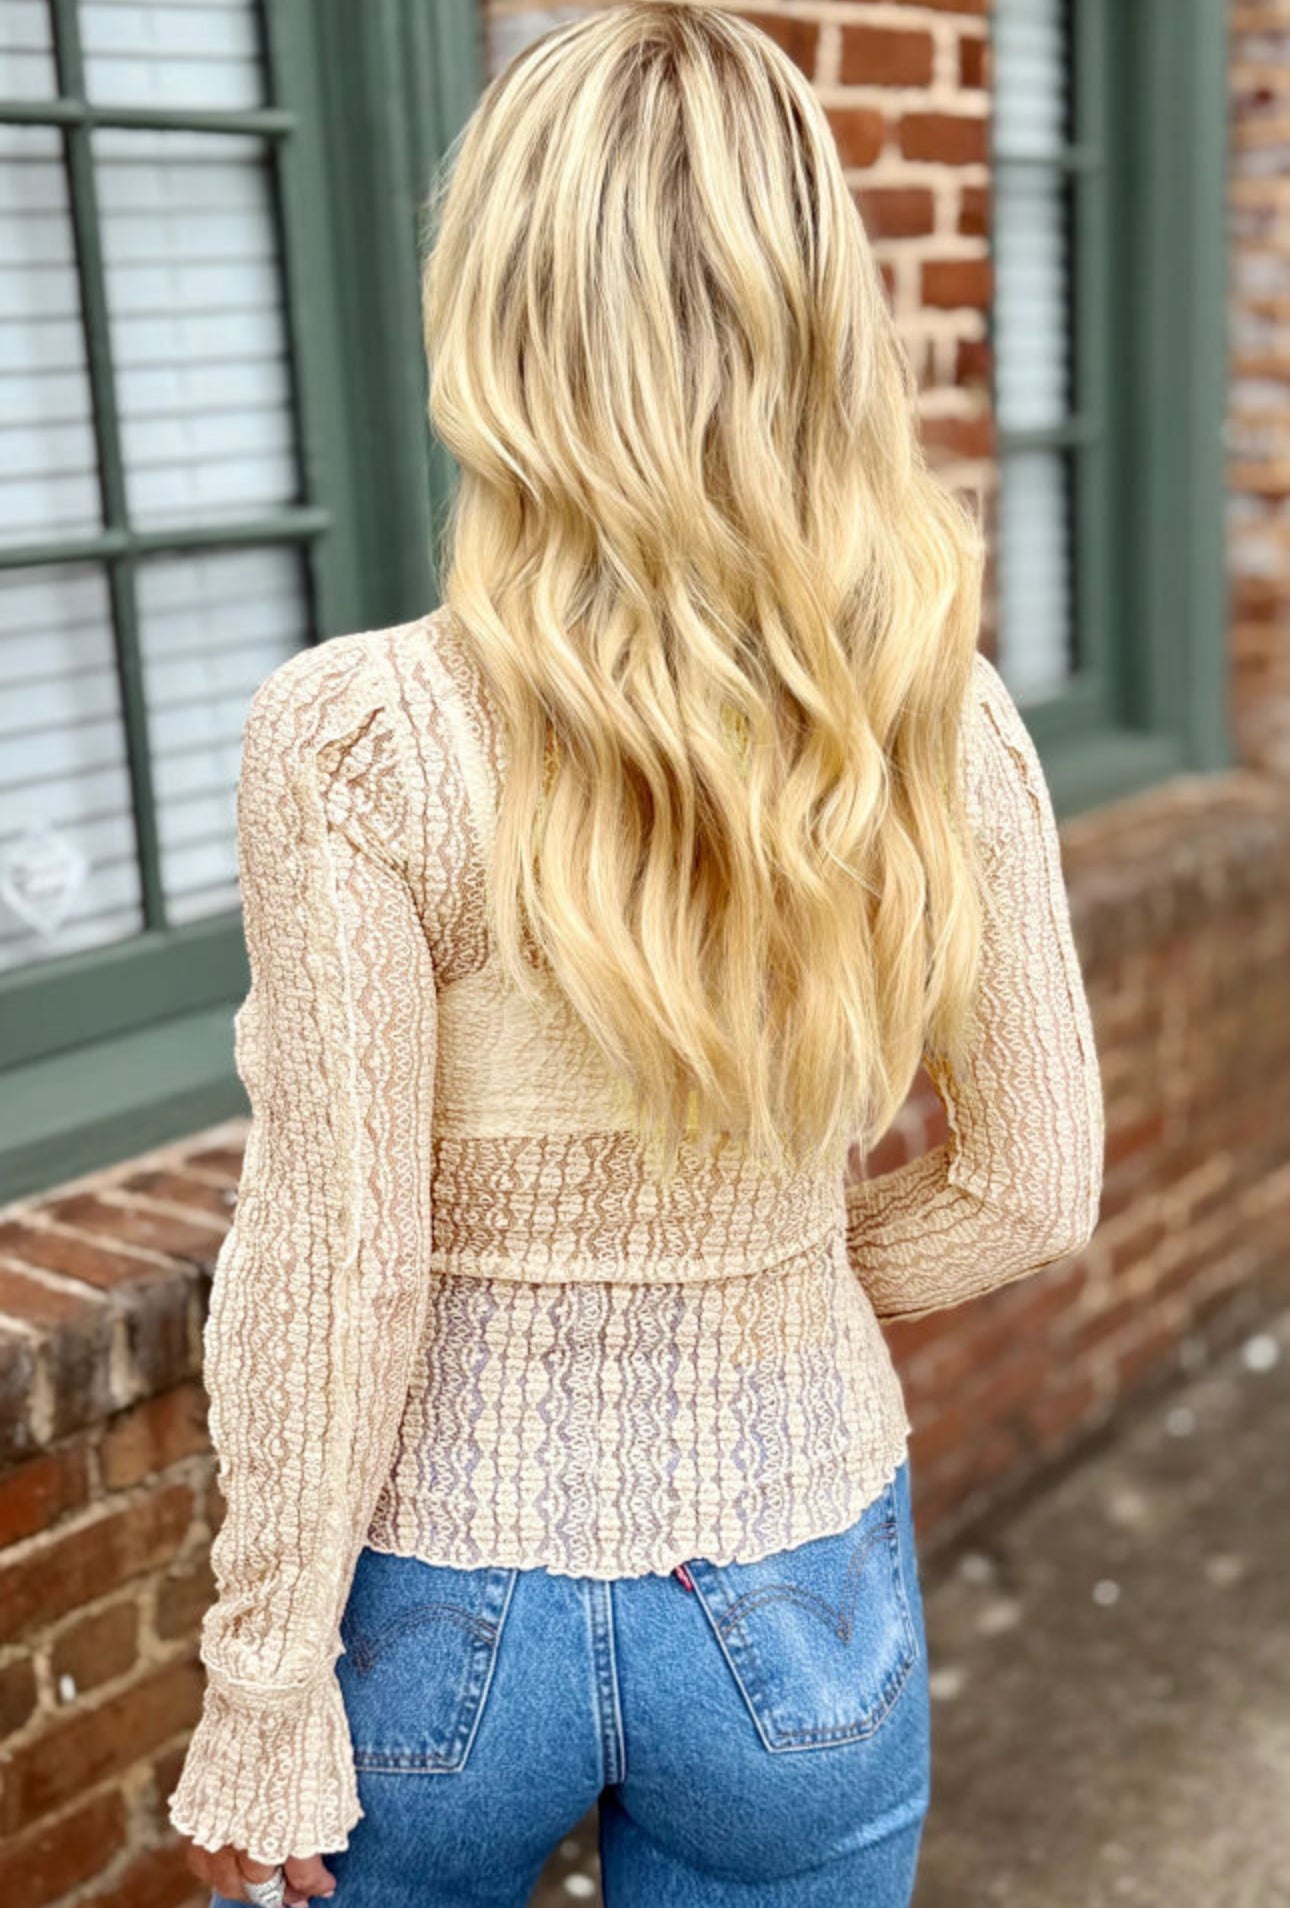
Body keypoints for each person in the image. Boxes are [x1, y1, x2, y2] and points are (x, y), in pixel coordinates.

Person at [167, 3, 1105, 1904]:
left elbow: (337, 1261)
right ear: (821, 315)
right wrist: (752, 1276)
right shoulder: (935, 716)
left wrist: (261, 1684)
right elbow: (1031, 1185)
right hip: (792, 1585)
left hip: (435, 1604)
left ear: (499, 315)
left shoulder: (358, 738)